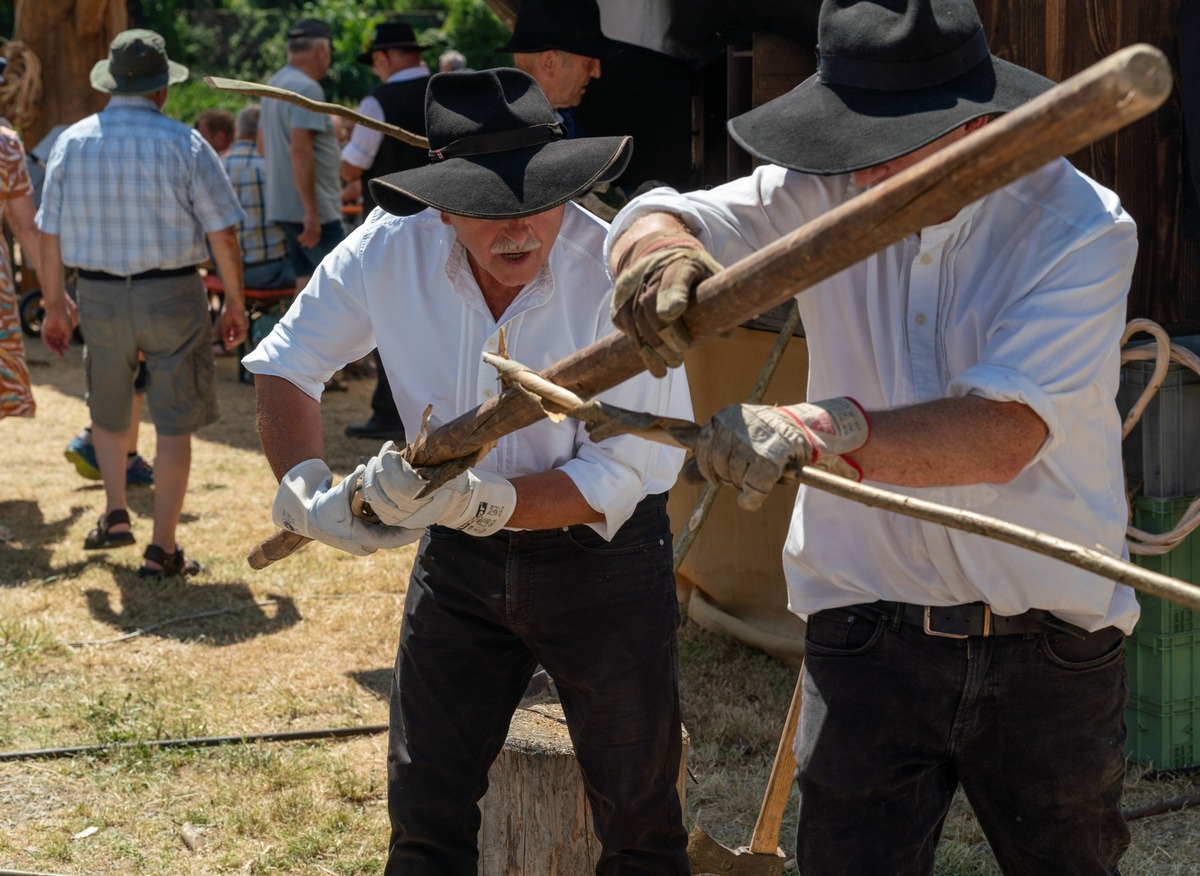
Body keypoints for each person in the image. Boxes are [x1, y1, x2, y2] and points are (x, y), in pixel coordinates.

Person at [606, 0, 1138, 872]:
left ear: (972, 124)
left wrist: (814, 427)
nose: (854, 179)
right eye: (842, 144)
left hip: (1050, 649)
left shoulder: (1078, 227)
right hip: (867, 635)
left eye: (880, 147)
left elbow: (999, 436)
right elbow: (667, 210)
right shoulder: (833, 181)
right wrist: (658, 255)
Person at [243, 68, 692, 875]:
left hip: (605, 562)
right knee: (425, 804)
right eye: (490, 209)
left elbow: (632, 468)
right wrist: (302, 488)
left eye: (540, 199)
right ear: (444, 203)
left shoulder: (612, 279)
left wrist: (486, 501)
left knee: (639, 813)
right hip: (459, 567)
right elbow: (286, 362)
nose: (520, 229)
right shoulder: (390, 252)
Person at [38, 29, 247, 577]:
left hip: (99, 293)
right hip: (174, 289)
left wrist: (56, 304)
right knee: (173, 423)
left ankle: (114, 514)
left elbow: (48, 235)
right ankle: (163, 548)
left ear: (112, 85)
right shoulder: (186, 142)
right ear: (161, 89)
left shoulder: (71, 142)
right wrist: (235, 303)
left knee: (108, 411)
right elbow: (223, 234)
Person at [338, 21, 431, 444]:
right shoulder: (444, 90)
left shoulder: (378, 102)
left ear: (387, 57)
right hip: (448, 219)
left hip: (393, 225)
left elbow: (354, 164)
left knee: (391, 317)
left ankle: (390, 410)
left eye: (376, 59)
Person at [260, 18, 344, 289]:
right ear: (321, 50)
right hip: (313, 212)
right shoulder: (307, 88)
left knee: (306, 284)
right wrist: (311, 212)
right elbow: (300, 150)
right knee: (346, 285)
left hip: (284, 206)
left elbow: (263, 146)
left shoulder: (273, 83)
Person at [501, 0, 615, 139]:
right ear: (550, 62)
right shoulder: (502, 132)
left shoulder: (567, 118)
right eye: (588, 62)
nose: (597, 72)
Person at [222, 105, 296, 291]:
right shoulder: (272, 168)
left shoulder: (217, 165)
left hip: (225, 271)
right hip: (270, 270)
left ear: (238, 129)